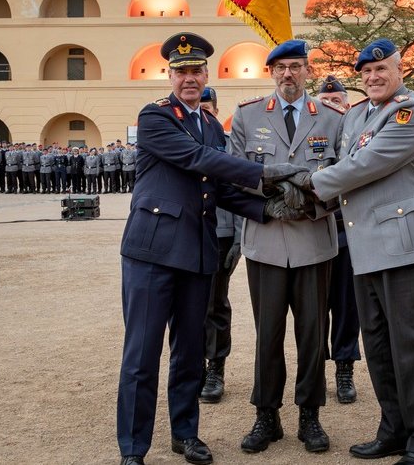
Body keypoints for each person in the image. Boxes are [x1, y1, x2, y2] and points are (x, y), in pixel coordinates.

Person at [115, 32, 304, 465]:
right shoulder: (155, 117)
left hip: (198, 255)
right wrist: (264, 173)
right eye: (181, 71)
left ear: (206, 76)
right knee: (142, 356)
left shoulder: (212, 126)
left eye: (196, 71)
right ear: (170, 75)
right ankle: (134, 448)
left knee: (189, 355)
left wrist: (268, 208)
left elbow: (221, 190)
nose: (189, 78)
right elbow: (197, 160)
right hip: (152, 253)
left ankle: (185, 434)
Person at [283, 39, 414, 465]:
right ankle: (394, 431)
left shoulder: (411, 112)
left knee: (413, 347)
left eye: (381, 69)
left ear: (400, 72)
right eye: (366, 72)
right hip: (366, 247)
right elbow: (340, 168)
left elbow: (363, 166)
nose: (373, 77)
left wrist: (305, 183)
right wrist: (311, 195)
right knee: (377, 347)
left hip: (408, 248)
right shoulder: (357, 114)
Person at [230, 40, 347, 454]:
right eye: (280, 68)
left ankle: (310, 415)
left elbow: (346, 174)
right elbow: (234, 172)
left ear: (307, 71)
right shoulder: (247, 115)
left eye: (296, 67)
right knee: (268, 334)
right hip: (265, 240)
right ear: (271, 73)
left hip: (313, 239)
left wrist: (313, 202)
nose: (288, 75)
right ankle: (266, 415)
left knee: (313, 333)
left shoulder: (333, 117)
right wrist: (271, 192)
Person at [316, 75, 362, 405]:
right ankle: (315, 367)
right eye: (326, 102)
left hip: (348, 232)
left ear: (346, 105)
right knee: (314, 308)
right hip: (316, 231)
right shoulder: (309, 133)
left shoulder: (358, 134)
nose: (332, 106)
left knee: (347, 307)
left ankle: (345, 368)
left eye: (337, 101)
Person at [198, 86, 243, 405]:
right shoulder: (177, 141)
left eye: (207, 108)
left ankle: (215, 367)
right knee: (186, 305)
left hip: (221, 234)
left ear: (215, 111)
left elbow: (239, 193)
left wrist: (240, 238)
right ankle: (193, 367)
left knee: (214, 303)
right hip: (186, 233)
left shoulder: (228, 146)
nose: (202, 113)